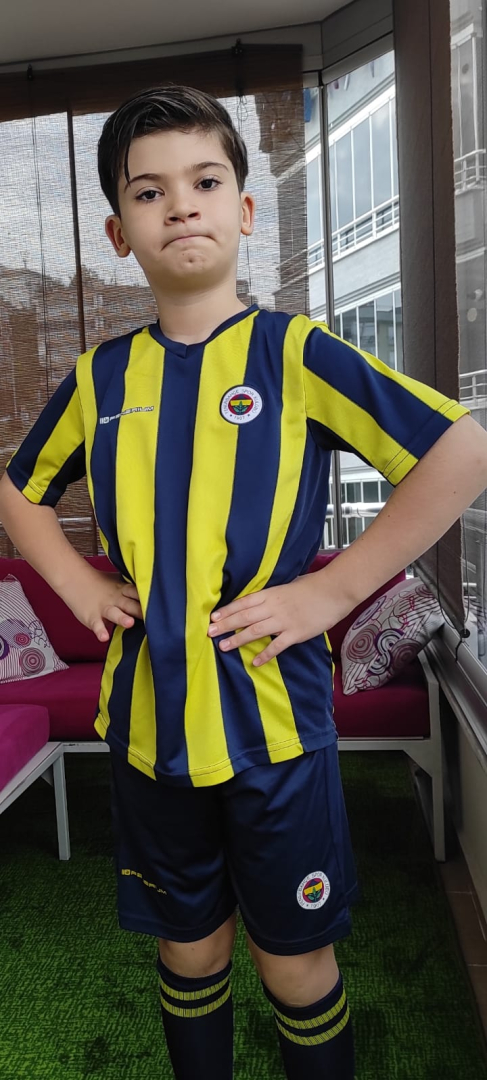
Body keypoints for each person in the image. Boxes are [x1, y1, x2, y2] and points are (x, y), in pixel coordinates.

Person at [0, 85, 486, 1080]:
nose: (180, 204)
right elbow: (18, 490)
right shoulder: (97, 379)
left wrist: (330, 593)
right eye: (149, 191)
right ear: (119, 233)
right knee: (190, 952)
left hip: (273, 728)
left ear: (245, 210)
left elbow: (458, 451)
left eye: (205, 181)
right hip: (146, 731)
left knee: (294, 961)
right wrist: (76, 585)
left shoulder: (294, 353)